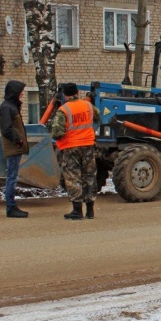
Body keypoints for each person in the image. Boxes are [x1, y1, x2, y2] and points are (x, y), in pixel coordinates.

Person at [50, 83, 99, 220]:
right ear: (77, 92)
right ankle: (90, 210)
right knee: (89, 176)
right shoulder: (88, 106)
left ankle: (77, 211)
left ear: (65, 95)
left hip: (71, 147)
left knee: (73, 177)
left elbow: (57, 131)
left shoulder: (64, 109)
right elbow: (97, 116)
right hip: (88, 145)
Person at [0, 80, 30, 218]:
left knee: (13, 177)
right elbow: (6, 129)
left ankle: (12, 206)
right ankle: (11, 207)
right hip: (13, 147)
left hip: (16, 147)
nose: (23, 93)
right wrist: (19, 140)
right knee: (12, 177)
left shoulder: (12, 106)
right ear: (15, 92)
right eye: (21, 91)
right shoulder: (7, 107)